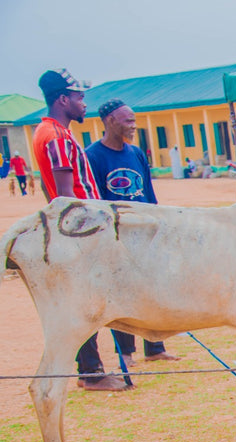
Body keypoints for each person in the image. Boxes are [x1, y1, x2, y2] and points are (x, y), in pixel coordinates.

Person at [34, 68, 129, 391]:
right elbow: (65, 198)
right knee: (87, 301)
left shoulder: (48, 133)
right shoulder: (57, 137)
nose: (84, 104)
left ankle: (92, 368)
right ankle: (91, 372)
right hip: (82, 233)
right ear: (62, 99)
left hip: (74, 233)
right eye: (78, 97)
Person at [86, 99, 179, 364]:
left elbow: (149, 195)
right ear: (110, 121)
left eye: (134, 120)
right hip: (117, 238)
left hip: (146, 235)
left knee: (152, 290)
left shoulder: (136, 153)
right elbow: (97, 201)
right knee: (123, 296)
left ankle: (155, 347)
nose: (133, 126)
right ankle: (125, 354)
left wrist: (160, 225)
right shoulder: (93, 156)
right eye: (128, 121)